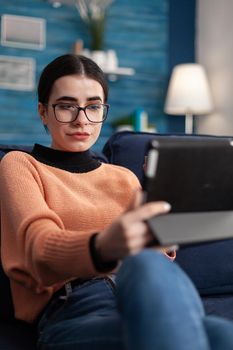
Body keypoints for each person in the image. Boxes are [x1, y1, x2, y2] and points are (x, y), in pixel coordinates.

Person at [1, 54, 232, 350]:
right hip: (77, 309)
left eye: (93, 106)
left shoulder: (124, 177)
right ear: (43, 111)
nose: (81, 119)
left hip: (145, 297)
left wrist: (163, 233)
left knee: (223, 335)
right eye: (66, 106)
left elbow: (159, 261)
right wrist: (105, 245)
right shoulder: (21, 165)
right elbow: (39, 248)